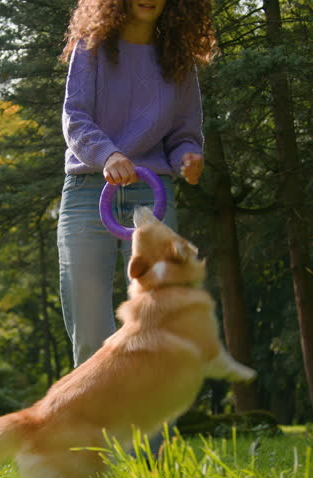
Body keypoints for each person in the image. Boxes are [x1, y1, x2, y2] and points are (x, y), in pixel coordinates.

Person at [57, 0, 215, 367]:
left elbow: (184, 135)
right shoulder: (91, 47)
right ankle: (93, 424)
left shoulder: (178, 59)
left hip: (153, 196)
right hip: (87, 191)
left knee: (160, 325)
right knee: (90, 333)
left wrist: (188, 157)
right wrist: (108, 155)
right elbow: (75, 118)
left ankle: (154, 427)